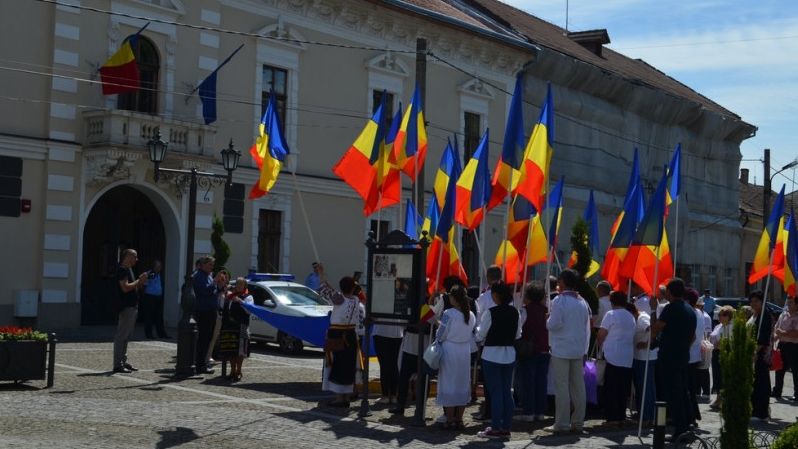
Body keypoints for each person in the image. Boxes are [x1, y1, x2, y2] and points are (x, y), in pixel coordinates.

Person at [545, 269, 591, 435]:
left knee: (562, 387)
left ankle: (562, 423)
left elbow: (554, 324)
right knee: (578, 387)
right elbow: (587, 327)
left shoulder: (560, 300)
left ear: (563, 282)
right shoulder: (582, 301)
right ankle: (578, 422)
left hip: (562, 349)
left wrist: (548, 319)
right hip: (577, 349)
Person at [651, 278, 696, 440]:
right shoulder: (690, 310)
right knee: (683, 391)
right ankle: (687, 423)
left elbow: (655, 330)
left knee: (673, 394)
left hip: (669, 356)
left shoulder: (670, 309)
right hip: (684, 356)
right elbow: (693, 337)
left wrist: (652, 310)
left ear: (669, 292)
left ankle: (680, 428)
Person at [476, 281, 520, 439]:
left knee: (496, 392)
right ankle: (506, 427)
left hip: (491, 355)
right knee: (507, 392)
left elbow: (480, 335)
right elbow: (517, 335)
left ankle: (495, 427)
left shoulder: (491, 312)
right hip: (509, 354)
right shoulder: (515, 312)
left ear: (495, 295)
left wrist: (478, 335)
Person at [320, 275, 365, 407]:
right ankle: (346, 396)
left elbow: (325, 290)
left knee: (336, 363)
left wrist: (321, 274)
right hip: (351, 335)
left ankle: (340, 397)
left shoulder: (339, 299)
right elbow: (329, 290)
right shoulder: (356, 300)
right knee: (348, 364)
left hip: (337, 335)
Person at [435, 285, 476, 429]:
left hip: (450, 349)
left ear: (454, 298)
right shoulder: (470, 315)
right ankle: (459, 419)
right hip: (464, 350)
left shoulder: (448, 313)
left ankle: (450, 418)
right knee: (462, 382)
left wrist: (436, 323)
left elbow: (441, 334)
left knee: (449, 383)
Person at [597, 291, 637, 426]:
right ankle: (621, 415)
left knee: (611, 388)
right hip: (627, 356)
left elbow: (602, 334)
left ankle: (612, 417)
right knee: (622, 388)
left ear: (612, 302)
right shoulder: (630, 316)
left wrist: (599, 344)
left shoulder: (610, 314)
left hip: (613, 355)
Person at [515, 280, 550, 422]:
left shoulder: (524, 311)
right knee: (541, 382)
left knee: (527, 382)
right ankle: (540, 412)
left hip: (528, 351)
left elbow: (519, 331)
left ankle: (528, 411)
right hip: (544, 349)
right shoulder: (546, 311)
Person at [474, 265, 502, 421]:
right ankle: (497, 413)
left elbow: (478, 321)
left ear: (488, 278)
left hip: (488, 343)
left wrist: (478, 337)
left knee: (488, 381)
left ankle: (490, 412)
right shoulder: (509, 298)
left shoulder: (484, 298)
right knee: (501, 383)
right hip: (505, 345)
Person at [113, 248, 148, 373]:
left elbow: (132, 287)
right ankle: (117, 364)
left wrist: (140, 282)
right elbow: (125, 288)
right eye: (134, 256)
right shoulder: (122, 270)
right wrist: (139, 281)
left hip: (132, 306)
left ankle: (123, 360)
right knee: (121, 335)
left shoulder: (129, 270)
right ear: (127, 257)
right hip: (126, 307)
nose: (136, 259)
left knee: (127, 336)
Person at [193, 256, 226, 375]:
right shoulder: (198, 276)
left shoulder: (208, 276)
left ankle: (203, 363)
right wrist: (215, 281)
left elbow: (213, 292)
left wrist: (220, 287)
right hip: (203, 310)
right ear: (203, 264)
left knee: (208, 338)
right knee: (203, 338)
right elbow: (204, 291)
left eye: (212, 265)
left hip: (211, 310)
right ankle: (199, 365)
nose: (212, 267)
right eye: (210, 265)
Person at [220, 277, 254, 382]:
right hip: (230, 326)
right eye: (237, 284)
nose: (238, 286)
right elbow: (223, 307)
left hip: (241, 326)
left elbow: (249, 311)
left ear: (244, 286)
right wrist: (224, 295)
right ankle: (232, 371)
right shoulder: (230, 296)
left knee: (241, 350)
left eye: (241, 284)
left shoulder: (248, 297)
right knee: (231, 349)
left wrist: (240, 301)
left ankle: (239, 371)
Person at [747, 290, 773, 420]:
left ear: (762, 302)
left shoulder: (765, 316)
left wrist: (755, 352)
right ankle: (756, 408)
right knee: (755, 382)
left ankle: (761, 412)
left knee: (761, 383)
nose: (753, 304)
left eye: (756, 301)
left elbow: (763, 338)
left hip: (760, 355)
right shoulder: (754, 315)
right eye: (751, 301)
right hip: (752, 354)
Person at [633, 295, 658, 425]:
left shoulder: (642, 318)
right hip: (642, 357)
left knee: (646, 388)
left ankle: (648, 416)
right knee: (644, 387)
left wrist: (646, 343)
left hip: (645, 358)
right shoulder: (640, 317)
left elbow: (652, 330)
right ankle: (646, 414)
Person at [372, 318, 403, 404]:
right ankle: (393, 395)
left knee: (384, 365)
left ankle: (385, 395)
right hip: (397, 332)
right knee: (394, 365)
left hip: (381, 331)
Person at [709, 305, 734, 410]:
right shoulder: (718, 326)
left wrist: (721, 344)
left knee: (724, 377)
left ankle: (724, 399)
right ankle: (719, 398)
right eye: (719, 315)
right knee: (717, 377)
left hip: (726, 353)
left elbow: (730, 341)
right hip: (716, 353)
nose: (720, 317)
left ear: (729, 316)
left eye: (723, 315)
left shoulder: (732, 326)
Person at [773, 296, 798, 400]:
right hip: (782, 344)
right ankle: (777, 391)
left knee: (796, 370)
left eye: (791, 302)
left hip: (794, 346)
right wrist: (776, 336)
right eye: (788, 302)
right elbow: (777, 327)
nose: (788, 304)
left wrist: (783, 333)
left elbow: (796, 333)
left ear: (797, 305)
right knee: (779, 369)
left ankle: (797, 394)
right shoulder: (783, 314)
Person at [685, 288, 703, 425]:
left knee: (687, 388)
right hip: (695, 355)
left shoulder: (690, 312)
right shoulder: (699, 312)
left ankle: (690, 416)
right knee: (691, 387)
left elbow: (692, 336)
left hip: (688, 355)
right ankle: (694, 414)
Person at [142, 260, 169, 339]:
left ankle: (161, 333)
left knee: (159, 316)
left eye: (160, 267)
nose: (159, 268)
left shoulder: (160, 274)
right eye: (157, 267)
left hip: (158, 297)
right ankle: (149, 334)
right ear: (153, 267)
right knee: (149, 316)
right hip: (149, 297)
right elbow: (144, 285)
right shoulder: (149, 274)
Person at [695, 295, 712, 397]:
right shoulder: (697, 315)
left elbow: (707, 333)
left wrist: (704, 345)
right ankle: (697, 390)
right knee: (697, 370)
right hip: (697, 346)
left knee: (704, 369)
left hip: (703, 346)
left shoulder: (705, 317)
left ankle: (706, 391)